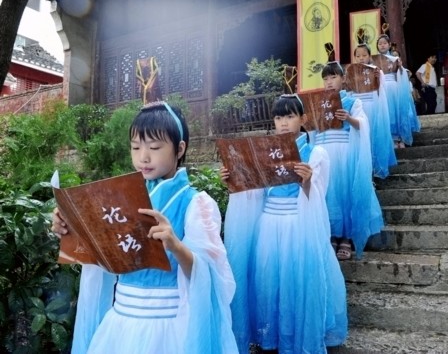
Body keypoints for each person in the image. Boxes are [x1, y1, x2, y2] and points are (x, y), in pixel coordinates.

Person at [51, 102, 238, 354]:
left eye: (155, 147)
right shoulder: (118, 199)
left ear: (179, 148)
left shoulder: (196, 203)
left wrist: (175, 245)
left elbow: (213, 277)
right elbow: (100, 255)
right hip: (121, 322)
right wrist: (71, 230)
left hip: (171, 327)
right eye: (136, 147)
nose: (143, 157)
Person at [222, 94, 348, 353]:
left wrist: (308, 181)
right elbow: (255, 193)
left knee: (296, 284)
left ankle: (296, 337)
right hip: (268, 226)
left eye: (290, 116)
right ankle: (271, 337)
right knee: (269, 283)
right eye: (278, 117)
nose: (283, 123)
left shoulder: (316, 152)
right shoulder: (265, 153)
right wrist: (234, 182)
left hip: (299, 226)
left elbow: (319, 197)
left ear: (302, 119)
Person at [315, 61, 384, 261]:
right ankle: (331, 235)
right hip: (323, 151)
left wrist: (349, 119)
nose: (329, 82)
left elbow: (362, 123)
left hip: (344, 152)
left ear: (343, 79)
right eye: (326, 78)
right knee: (327, 194)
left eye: (333, 77)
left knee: (344, 192)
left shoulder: (352, 101)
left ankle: (346, 238)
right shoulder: (317, 102)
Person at [350, 42, 397, 179]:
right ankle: (364, 173)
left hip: (371, 106)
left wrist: (378, 77)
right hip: (357, 109)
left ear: (370, 56)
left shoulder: (376, 71)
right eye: (358, 56)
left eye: (364, 55)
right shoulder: (351, 72)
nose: (361, 58)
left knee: (372, 137)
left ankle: (375, 168)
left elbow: (382, 92)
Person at [371, 34, 418, 148]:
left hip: (393, 88)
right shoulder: (374, 61)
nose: (382, 45)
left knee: (395, 112)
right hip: (381, 88)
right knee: (385, 113)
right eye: (380, 43)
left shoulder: (395, 59)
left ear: (389, 45)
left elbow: (402, 75)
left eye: (384, 43)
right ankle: (389, 139)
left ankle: (399, 137)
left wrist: (400, 67)